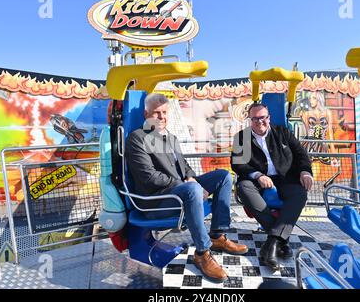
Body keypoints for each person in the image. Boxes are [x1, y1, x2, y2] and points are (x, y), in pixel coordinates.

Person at [126, 93, 248, 283]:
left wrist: (191, 178)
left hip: (179, 190)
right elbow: (149, 178)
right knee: (192, 190)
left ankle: (217, 235)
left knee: (222, 176)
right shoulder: (137, 138)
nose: (162, 117)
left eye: (164, 112)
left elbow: (184, 167)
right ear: (146, 114)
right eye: (156, 113)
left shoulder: (170, 137)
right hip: (155, 201)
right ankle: (202, 252)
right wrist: (190, 186)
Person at [231, 103, 314, 271]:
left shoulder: (282, 133)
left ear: (268, 118)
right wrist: (258, 175)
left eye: (263, 118)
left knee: (300, 194)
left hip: (284, 178)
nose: (259, 122)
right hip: (257, 179)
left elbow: (301, 155)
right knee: (243, 188)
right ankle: (281, 239)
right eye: (255, 119)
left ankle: (272, 243)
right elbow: (238, 164)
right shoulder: (242, 138)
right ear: (250, 120)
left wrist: (305, 171)